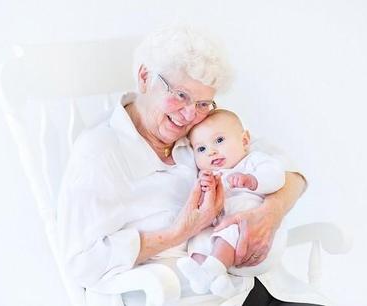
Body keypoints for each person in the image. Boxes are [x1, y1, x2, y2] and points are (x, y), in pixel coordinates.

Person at [57, 26, 323, 306]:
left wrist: (271, 211)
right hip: (171, 297)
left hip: (242, 290)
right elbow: (82, 262)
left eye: (202, 103)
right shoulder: (99, 152)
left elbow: (291, 172)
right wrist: (180, 231)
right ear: (145, 77)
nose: (188, 115)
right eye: (181, 95)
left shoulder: (198, 132)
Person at [177, 109, 286, 299]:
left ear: (244, 141)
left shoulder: (253, 161)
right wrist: (206, 190)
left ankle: (211, 271)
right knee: (196, 241)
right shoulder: (211, 176)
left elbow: (277, 176)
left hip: (255, 241)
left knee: (231, 229)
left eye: (219, 140)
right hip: (230, 251)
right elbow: (204, 212)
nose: (211, 151)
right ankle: (217, 280)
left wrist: (252, 180)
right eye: (201, 149)